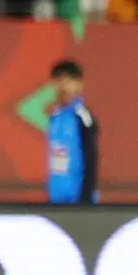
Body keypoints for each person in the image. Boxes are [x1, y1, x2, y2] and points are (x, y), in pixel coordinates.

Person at [47, 58, 99, 204]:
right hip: (56, 199)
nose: (64, 86)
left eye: (69, 81)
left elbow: (91, 159)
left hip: (79, 200)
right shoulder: (55, 118)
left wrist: (85, 199)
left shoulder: (83, 117)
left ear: (79, 85)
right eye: (59, 80)